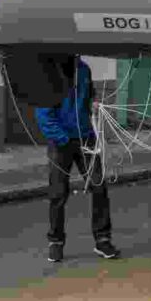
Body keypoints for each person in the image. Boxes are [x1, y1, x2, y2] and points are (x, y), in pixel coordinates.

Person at [34, 56, 120, 263]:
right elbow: (43, 114)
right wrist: (62, 138)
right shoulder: (49, 73)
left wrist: (94, 102)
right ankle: (55, 242)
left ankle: (102, 239)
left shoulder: (84, 69)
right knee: (58, 193)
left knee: (99, 186)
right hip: (60, 142)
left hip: (86, 138)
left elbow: (88, 95)